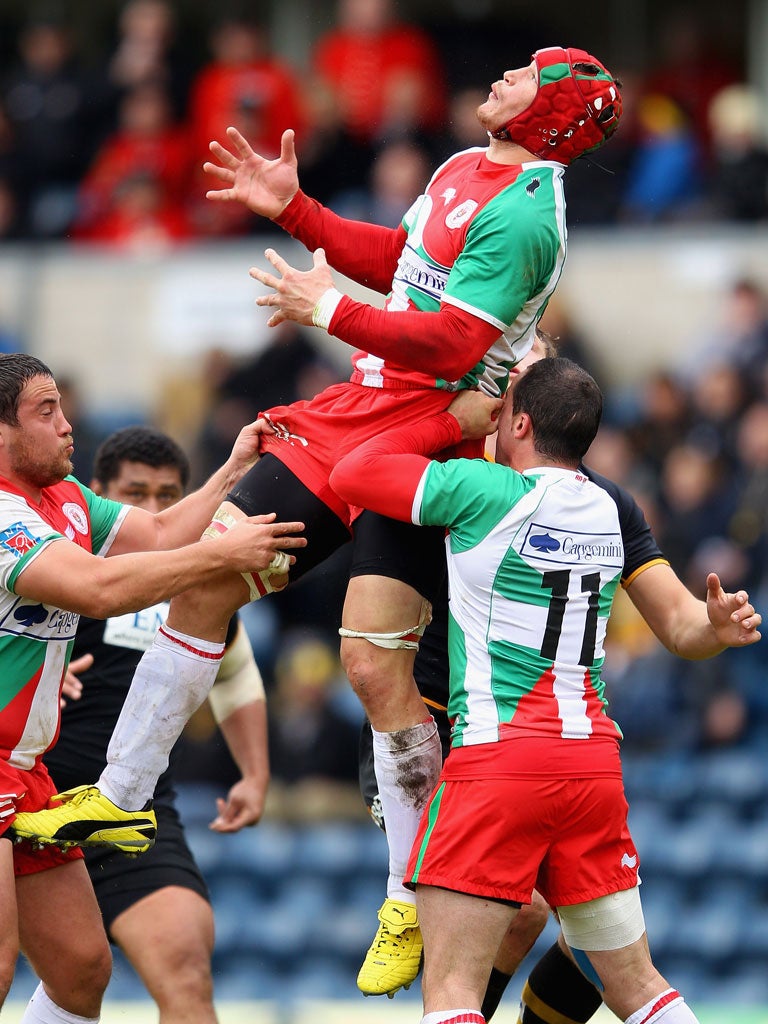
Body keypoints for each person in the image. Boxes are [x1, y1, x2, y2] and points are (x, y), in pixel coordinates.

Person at [13, 47, 623, 999]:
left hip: (434, 440)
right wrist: (298, 213)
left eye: (527, 74)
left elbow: (455, 340)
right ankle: (120, 799)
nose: (503, 76)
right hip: (358, 410)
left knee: (373, 665)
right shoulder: (464, 168)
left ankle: (403, 896)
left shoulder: (528, 216)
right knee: (213, 570)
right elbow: (407, 264)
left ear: (551, 113)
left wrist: (326, 305)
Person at [330, 357, 762, 1024]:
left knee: (450, 993)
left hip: (497, 759)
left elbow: (353, 471)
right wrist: (714, 627)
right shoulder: (614, 504)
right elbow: (681, 626)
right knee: (640, 987)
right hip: (591, 760)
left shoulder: (479, 488)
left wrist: (452, 419)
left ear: (520, 421)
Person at [0, 352, 304, 1022]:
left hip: (34, 777)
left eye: (62, 407)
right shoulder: (3, 514)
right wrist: (221, 555)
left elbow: (164, 535)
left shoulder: (70, 501)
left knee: (81, 971)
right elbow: (99, 590)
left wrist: (233, 470)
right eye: (45, 412)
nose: (66, 425)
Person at [43, 424, 269, 1024]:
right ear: (96, 497)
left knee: (187, 974)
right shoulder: (54, 559)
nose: (150, 511)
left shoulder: (197, 587)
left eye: (167, 497)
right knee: (73, 980)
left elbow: (237, 671)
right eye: (134, 495)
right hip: (32, 796)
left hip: (136, 815)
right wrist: (34, 679)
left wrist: (254, 772)